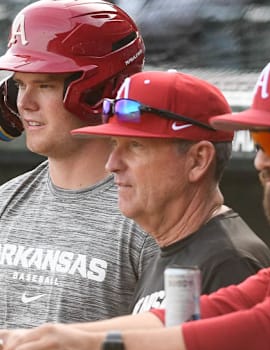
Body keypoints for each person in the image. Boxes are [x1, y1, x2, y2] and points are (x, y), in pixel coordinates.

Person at [2, 52, 270, 350]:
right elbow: (220, 308)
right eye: (259, 142)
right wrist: (64, 338)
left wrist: (97, 348)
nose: (261, 162)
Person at [0, 0, 158, 328]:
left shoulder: (154, 216)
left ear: (100, 90)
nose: (25, 103)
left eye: (44, 85)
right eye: (20, 84)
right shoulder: (5, 203)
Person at [71, 69, 270, 314]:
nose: (112, 164)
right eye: (114, 144)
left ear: (198, 161)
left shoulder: (230, 262)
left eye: (135, 146)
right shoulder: (170, 249)